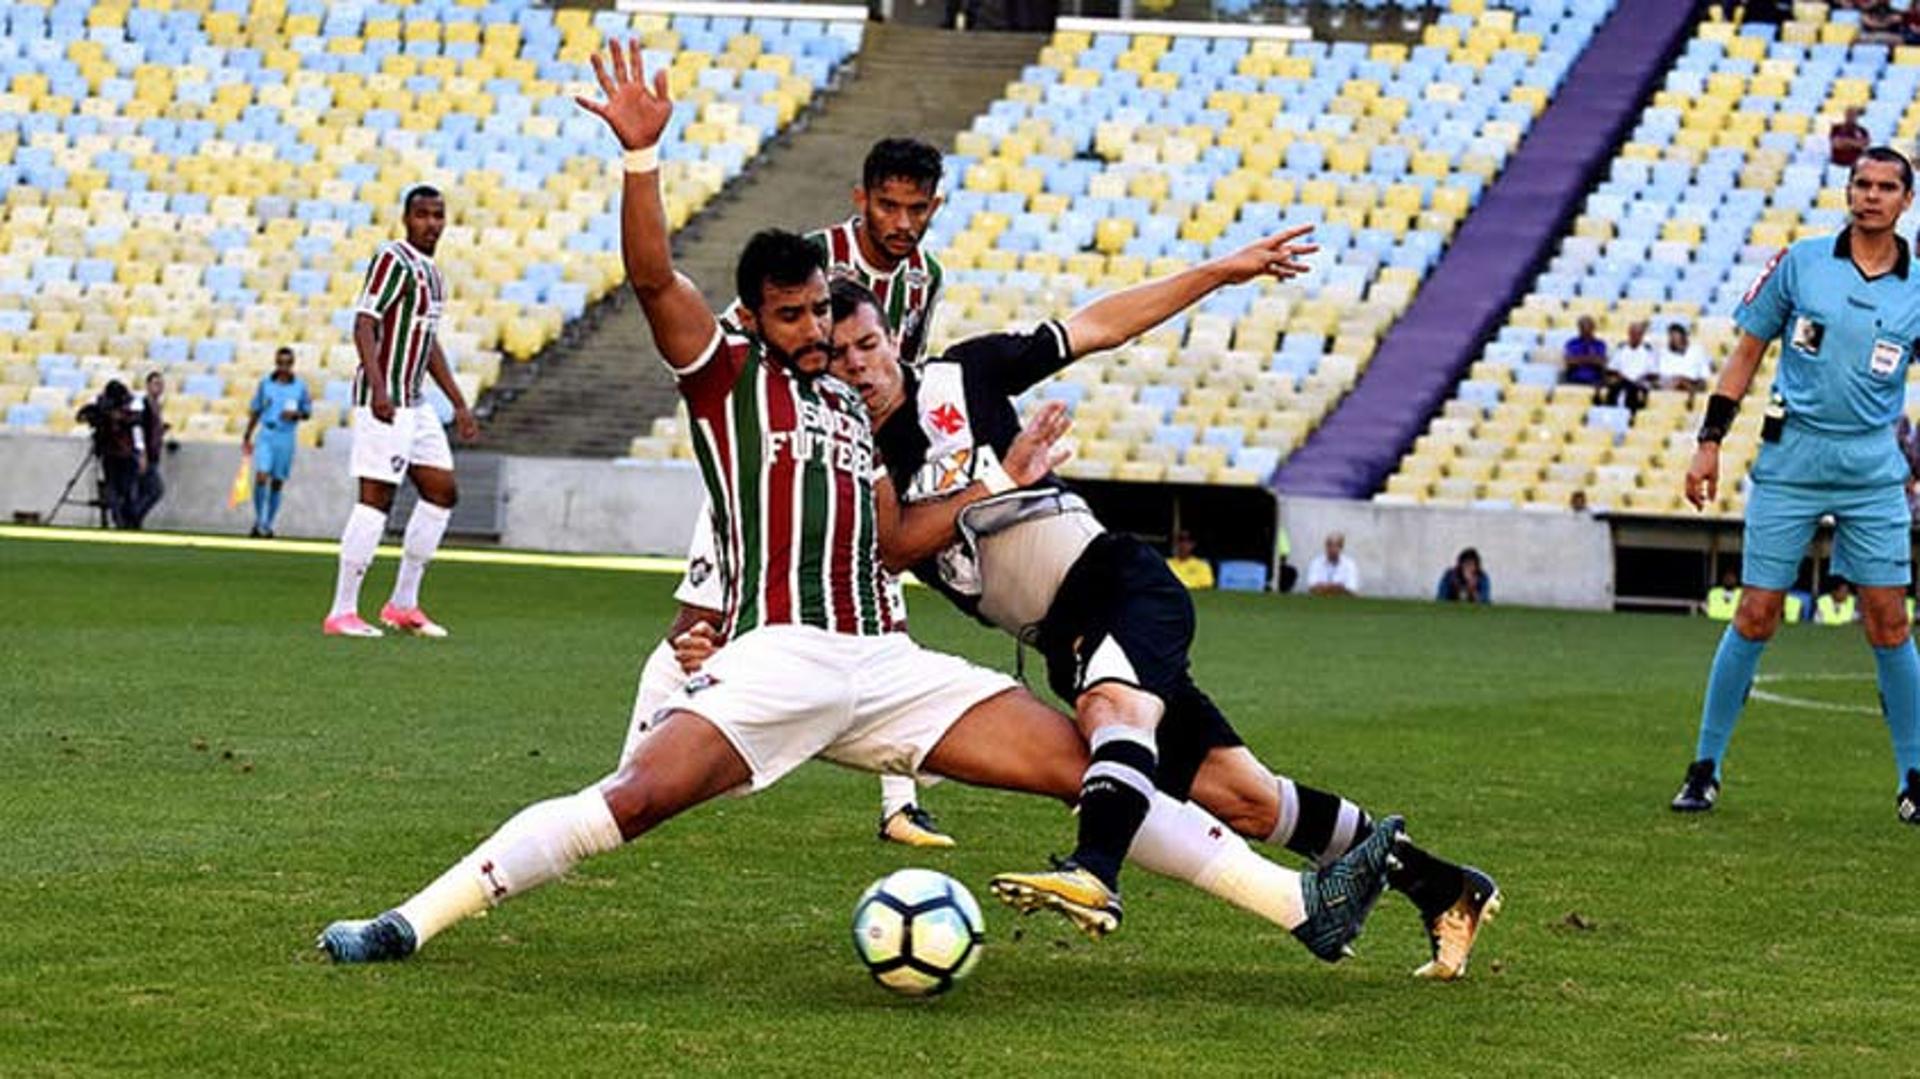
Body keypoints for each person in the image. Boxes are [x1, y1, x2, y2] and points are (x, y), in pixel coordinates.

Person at [317, 41, 1402, 969]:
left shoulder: (855, 415)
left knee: (1097, 764)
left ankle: (1298, 904)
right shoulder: (727, 376)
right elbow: (653, 280)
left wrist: (997, 478)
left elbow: (896, 538)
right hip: (776, 653)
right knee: (632, 800)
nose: (814, 336)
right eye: (791, 317)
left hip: (885, 659)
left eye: (826, 322)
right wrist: (642, 157)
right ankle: (409, 920)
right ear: (755, 315)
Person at [828, 255, 1499, 976]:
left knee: (1110, 708)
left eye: (867, 345)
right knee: (1247, 799)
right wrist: (998, 478)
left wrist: (1219, 272)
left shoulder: (965, 375)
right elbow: (895, 548)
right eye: (837, 358)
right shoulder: (854, 451)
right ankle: (1445, 887)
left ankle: (1095, 872)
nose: (858, 367)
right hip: (1066, 638)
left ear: (892, 337)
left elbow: (1099, 326)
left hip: (1115, 583)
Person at [675, 136, 952, 847]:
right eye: (888, 205)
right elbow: (747, 332)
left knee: (882, 610)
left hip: (844, 466)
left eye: (915, 208)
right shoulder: (812, 254)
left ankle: (899, 800)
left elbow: (897, 369)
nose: (902, 222)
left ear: (933, 208)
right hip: (764, 464)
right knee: (699, 618)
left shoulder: (925, 279)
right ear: (862, 201)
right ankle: (654, 754)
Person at [1675, 146, 1920, 822]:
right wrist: (1708, 443)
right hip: (1791, 463)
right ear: (1848, 191)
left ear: (1906, 201)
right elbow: (1746, 354)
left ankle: (1914, 777)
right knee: (1756, 612)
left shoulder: (1919, 286)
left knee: (1890, 621)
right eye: (1861, 184)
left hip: (1873, 468)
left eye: (1885, 187)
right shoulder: (1799, 263)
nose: (1870, 196)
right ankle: (1704, 767)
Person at [324, 184, 480, 639]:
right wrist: (377, 388)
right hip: (386, 400)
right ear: (406, 218)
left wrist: (458, 402)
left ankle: (403, 604)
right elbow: (364, 323)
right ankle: (342, 611)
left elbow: (427, 344)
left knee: (442, 493)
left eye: (438, 215)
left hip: (415, 401)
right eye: (422, 215)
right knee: (376, 501)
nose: (431, 223)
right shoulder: (392, 259)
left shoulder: (433, 275)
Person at [241, 346, 312, 538]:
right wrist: (247, 434)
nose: (284, 367)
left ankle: (268, 523)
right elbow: (256, 409)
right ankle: (260, 519)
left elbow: (307, 411)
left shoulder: (299, 386)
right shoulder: (266, 384)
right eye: (280, 363)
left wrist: (296, 414)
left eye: (287, 363)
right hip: (267, 432)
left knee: (277, 481)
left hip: (286, 436)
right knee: (262, 475)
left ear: (292, 364)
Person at [77, 379, 140, 528]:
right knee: (115, 490)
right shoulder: (103, 409)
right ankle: (119, 520)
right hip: (112, 453)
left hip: (123, 454)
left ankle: (125, 520)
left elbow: (136, 420)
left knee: (125, 491)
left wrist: (119, 418)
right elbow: (82, 416)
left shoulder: (127, 412)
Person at [125, 370, 169, 528]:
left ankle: (134, 520)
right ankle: (133, 518)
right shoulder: (143, 405)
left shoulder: (156, 406)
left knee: (144, 490)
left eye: (161, 385)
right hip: (145, 455)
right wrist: (142, 453)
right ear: (148, 386)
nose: (159, 388)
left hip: (153, 454)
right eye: (156, 384)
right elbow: (138, 430)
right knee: (155, 490)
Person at [1601, 319, 1656, 411]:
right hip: (1622, 381)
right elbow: (1611, 369)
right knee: (1613, 389)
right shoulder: (1621, 349)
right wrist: (1619, 376)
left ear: (1642, 335)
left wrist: (1642, 378)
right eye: (1633, 333)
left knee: (1635, 392)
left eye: (1638, 334)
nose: (1635, 336)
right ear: (1629, 334)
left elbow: (1653, 374)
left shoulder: (1648, 351)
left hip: (1640, 383)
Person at [1657, 322, 1711, 392]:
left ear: (1685, 337)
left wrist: (1685, 382)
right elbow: (1663, 376)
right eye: (1672, 338)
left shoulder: (1698, 350)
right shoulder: (1663, 353)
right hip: (1671, 386)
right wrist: (1678, 380)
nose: (1675, 341)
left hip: (1692, 384)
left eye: (1678, 338)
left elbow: (1705, 375)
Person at [1562, 315, 1607, 386]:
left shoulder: (1600, 344)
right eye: (1583, 329)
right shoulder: (1572, 343)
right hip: (1575, 378)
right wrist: (1591, 359)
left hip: (1594, 379)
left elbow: (1601, 361)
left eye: (1589, 329)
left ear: (1593, 329)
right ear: (1579, 329)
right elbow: (1569, 361)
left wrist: (1579, 359)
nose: (1586, 332)